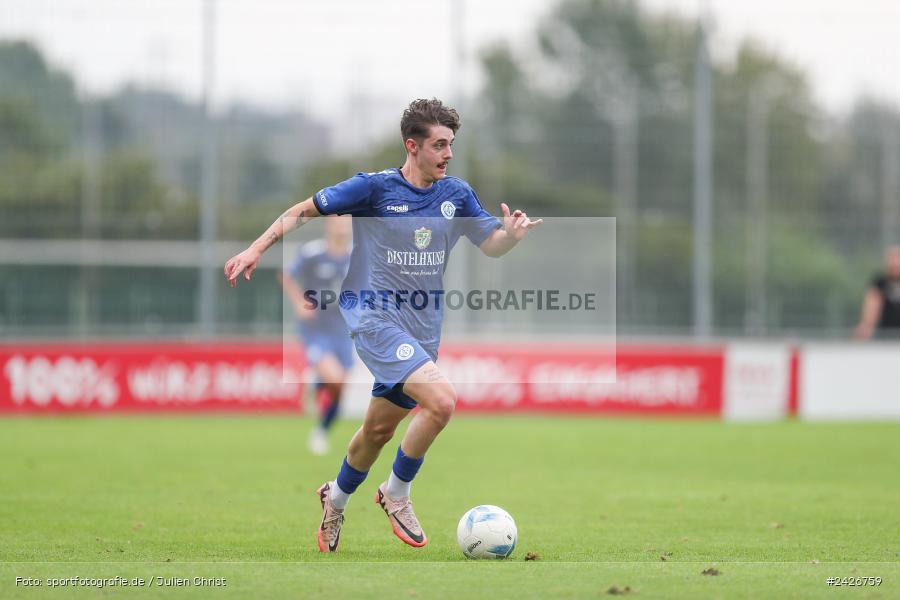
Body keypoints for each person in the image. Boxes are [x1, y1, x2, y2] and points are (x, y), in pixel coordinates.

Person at [224, 98, 542, 553]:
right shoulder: (372, 189)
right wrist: (256, 248)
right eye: (439, 144)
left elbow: (489, 244)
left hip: (422, 328)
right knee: (442, 401)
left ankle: (333, 498)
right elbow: (303, 209)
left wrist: (509, 236)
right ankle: (396, 493)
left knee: (377, 431)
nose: (448, 153)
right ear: (412, 146)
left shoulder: (456, 194)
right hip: (372, 316)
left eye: (451, 143)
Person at [278, 215, 353, 455]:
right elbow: (286, 275)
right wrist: (299, 302)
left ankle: (321, 426)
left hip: (344, 330)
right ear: (329, 226)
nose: (343, 227)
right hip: (316, 329)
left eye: (347, 222)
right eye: (338, 222)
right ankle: (319, 431)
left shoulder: (356, 256)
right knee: (336, 377)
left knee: (339, 388)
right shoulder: (313, 253)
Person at [855, 245, 900, 340]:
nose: (894, 262)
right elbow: (872, 307)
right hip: (886, 334)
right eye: (892, 258)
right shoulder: (880, 283)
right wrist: (866, 326)